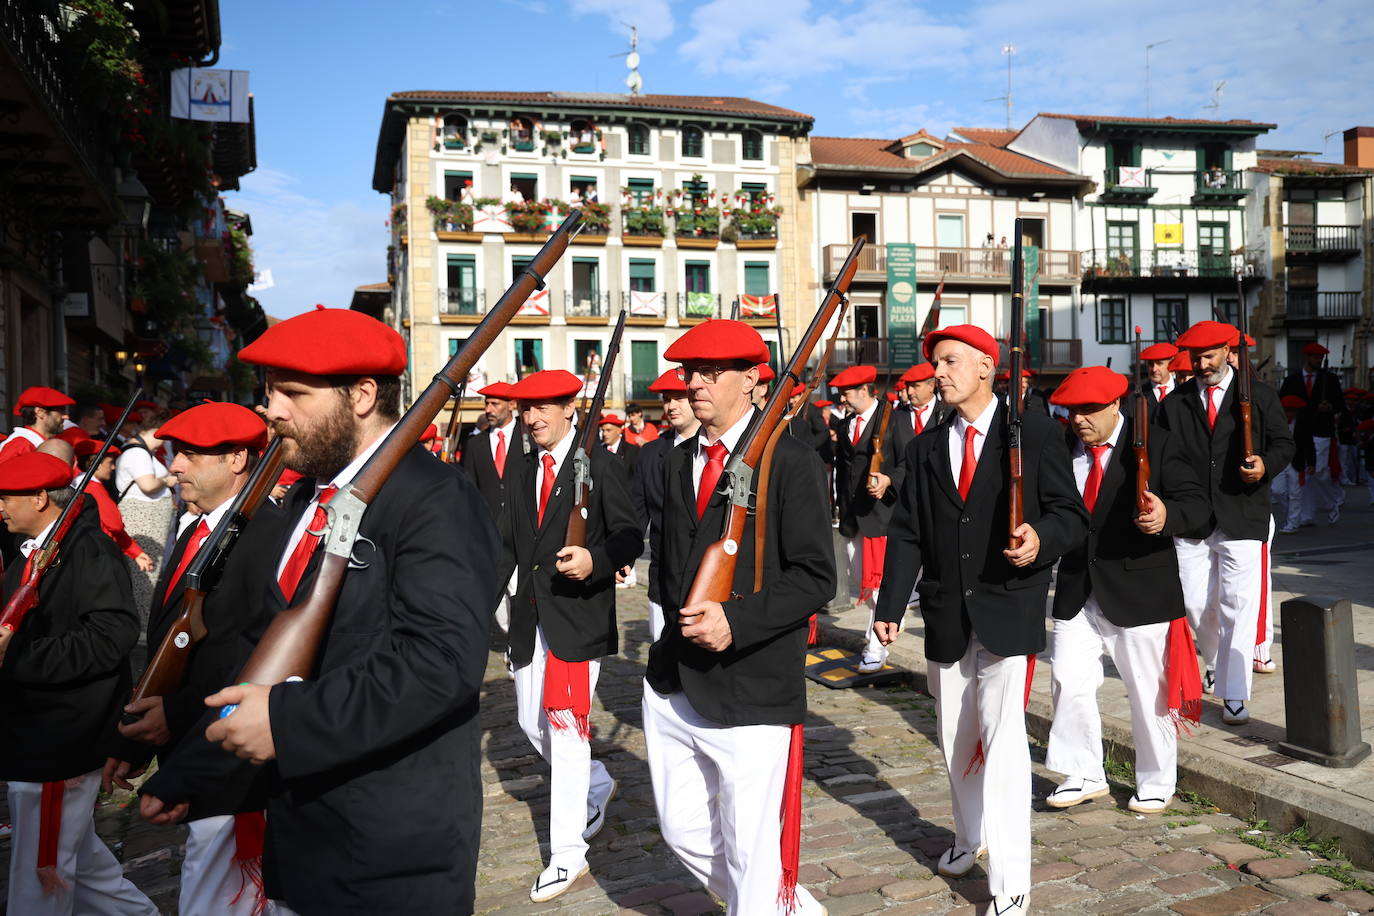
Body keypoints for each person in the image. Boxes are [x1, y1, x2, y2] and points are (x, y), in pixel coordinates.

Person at [142, 306, 499, 914]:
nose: (271, 409)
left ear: (361, 395)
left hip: (388, 846)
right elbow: (265, 653)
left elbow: (441, 664)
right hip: (304, 832)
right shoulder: (308, 498)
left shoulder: (434, 497)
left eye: (294, 394)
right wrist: (190, 761)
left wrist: (286, 720)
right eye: (268, 392)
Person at [873, 325, 1088, 915]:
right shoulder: (923, 447)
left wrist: (1040, 538)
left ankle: (1011, 884)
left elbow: (1072, 516)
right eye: (934, 363)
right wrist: (889, 608)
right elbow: (908, 532)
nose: (937, 373)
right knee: (955, 739)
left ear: (987, 366)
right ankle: (970, 836)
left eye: (948, 362)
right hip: (945, 615)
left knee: (1005, 741)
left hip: (1008, 610)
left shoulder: (1036, 434)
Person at [646, 319, 834, 915]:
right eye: (690, 373)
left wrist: (737, 621)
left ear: (752, 380)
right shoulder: (680, 463)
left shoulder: (792, 461)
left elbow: (814, 576)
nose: (694, 383)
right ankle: (783, 905)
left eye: (710, 372)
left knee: (752, 853)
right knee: (682, 832)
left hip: (753, 680)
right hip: (675, 679)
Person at [104, 402, 280, 916]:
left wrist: (175, 715)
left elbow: (255, 654)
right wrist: (134, 739)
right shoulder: (194, 528)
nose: (173, 465)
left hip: (232, 763)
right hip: (190, 749)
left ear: (237, 460)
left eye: (191, 454)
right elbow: (170, 649)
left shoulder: (265, 535)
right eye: (174, 453)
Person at [502, 369, 641, 902]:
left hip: (577, 619)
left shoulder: (601, 467)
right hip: (528, 618)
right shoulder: (518, 471)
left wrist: (596, 559)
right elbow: (507, 541)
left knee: (564, 730)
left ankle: (567, 854)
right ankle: (597, 782)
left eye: (542, 409)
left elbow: (629, 534)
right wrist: (498, 595)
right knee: (529, 723)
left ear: (569, 409)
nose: (532, 419)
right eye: (526, 410)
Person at [1043, 366, 1208, 815]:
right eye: (1072, 410)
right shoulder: (1058, 450)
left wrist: (1166, 516)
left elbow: (1200, 509)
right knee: (1068, 680)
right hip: (1077, 586)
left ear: (1116, 405)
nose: (1079, 420)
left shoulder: (1157, 444)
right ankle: (1083, 771)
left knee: (1147, 691)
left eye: (1090, 410)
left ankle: (1157, 779)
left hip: (1140, 587)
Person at [0, 452, 157, 915]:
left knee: (42, 871)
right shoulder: (35, 549)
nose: (0, 508)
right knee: (82, 865)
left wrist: (20, 656)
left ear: (41, 497)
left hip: (59, 735)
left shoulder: (87, 548)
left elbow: (112, 635)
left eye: (6, 498)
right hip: (39, 729)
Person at [1156, 320, 1293, 726]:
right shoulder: (1175, 404)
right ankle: (1214, 659)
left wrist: (1265, 464)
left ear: (1227, 351)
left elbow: (1284, 444)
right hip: (1191, 518)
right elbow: (1166, 459)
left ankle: (1235, 691)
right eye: (1195, 357)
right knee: (1195, 602)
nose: (1201, 363)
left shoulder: (1260, 395)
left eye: (1209, 355)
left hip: (1243, 513)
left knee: (1239, 605)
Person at [831, 365, 910, 673]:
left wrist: (889, 480)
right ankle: (892, 615)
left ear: (864, 391)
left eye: (847, 393)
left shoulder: (896, 419)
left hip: (882, 516)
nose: (843, 398)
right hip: (854, 515)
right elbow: (843, 469)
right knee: (860, 580)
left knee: (877, 586)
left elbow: (908, 463)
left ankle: (876, 646)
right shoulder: (848, 423)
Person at [632, 369, 701, 642]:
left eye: (679, 398)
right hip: (663, 577)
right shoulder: (650, 453)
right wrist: (621, 556)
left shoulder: (722, 449)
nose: (671, 406)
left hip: (712, 577)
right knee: (662, 664)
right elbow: (636, 514)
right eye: (666, 399)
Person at [459, 381, 523, 636]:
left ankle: (518, 643)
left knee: (519, 590)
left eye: (495, 403)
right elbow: (470, 489)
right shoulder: (476, 445)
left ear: (512, 405)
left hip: (522, 531)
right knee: (496, 595)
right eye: (486, 403)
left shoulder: (527, 437)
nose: (489, 409)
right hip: (490, 533)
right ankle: (509, 634)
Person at [1279, 343, 1348, 525]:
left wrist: (1330, 407)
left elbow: (1340, 404)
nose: (1318, 361)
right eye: (1315, 357)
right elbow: (1282, 403)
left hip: (1321, 431)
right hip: (1298, 432)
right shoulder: (1291, 380)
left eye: (1320, 358)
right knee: (1302, 476)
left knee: (1318, 474)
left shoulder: (1330, 379)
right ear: (1307, 357)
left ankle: (1330, 502)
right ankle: (1305, 514)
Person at [115, 413, 177, 615]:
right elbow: (148, 484)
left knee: (146, 572)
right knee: (143, 573)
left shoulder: (142, 452)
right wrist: (167, 481)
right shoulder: (137, 454)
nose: (164, 444)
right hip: (143, 520)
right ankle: (141, 624)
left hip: (148, 519)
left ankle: (142, 619)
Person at [71, 437, 156, 574]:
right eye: (110, 462)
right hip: (99, 554)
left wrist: (135, 552)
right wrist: (135, 551)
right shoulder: (93, 488)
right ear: (96, 464)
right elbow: (115, 524)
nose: (113, 467)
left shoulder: (78, 483)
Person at [1272, 395, 1313, 533]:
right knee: (1277, 491)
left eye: (1292, 410)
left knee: (1295, 493)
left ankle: (1293, 523)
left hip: (1297, 462)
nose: (1289, 412)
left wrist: (1312, 463)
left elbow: (1309, 444)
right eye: (1287, 409)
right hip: (1280, 461)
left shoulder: (1303, 423)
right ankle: (1292, 513)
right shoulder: (1276, 421)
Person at [1, 386, 74, 462]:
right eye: (61, 411)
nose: (66, 416)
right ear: (40, 412)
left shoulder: (32, 443)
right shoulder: (21, 446)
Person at [1139, 341, 1180, 423]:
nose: (1154, 369)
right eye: (1150, 364)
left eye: (1159, 364)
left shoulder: (1183, 390)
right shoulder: (1138, 394)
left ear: (1171, 364)